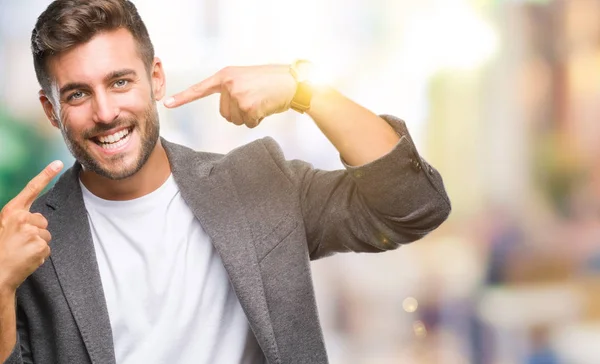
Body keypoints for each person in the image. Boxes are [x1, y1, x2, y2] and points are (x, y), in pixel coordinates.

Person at [0, 0, 451, 363]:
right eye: (77, 94)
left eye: (120, 82)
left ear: (155, 78)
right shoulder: (28, 241)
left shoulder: (256, 185)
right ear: (50, 109)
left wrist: (305, 91)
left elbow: (414, 204)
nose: (104, 112)